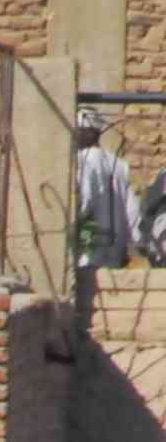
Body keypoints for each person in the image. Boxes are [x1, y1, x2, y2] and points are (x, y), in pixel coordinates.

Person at [76, 111, 134, 324]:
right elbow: (132, 212)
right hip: (115, 249)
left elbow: (85, 201)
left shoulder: (82, 161)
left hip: (88, 249)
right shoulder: (120, 165)